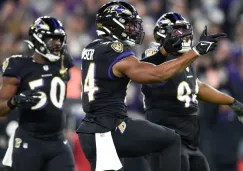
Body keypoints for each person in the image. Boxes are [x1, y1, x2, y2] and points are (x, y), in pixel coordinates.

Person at [76, 1, 225, 171]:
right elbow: (156, 75)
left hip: (93, 131)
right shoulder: (115, 49)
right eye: (129, 25)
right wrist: (196, 52)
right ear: (113, 24)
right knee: (171, 140)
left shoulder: (94, 47)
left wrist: (163, 52)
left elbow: (137, 68)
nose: (134, 29)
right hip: (109, 127)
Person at [141, 12, 243, 171]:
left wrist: (231, 102)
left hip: (189, 142)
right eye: (178, 31)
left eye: (186, 31)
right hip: (166, 142)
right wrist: (194, 53)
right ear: (164, 34)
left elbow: (196, 86)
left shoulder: (184, 59)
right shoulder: (153, 54)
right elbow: (158, 72)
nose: (185, 36)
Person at [0, 16, 75, 171]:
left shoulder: (64, 61)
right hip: (29, 141)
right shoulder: (18, 66)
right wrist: (16, 101)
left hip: (58, 141)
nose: (58, 43)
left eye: (59, 39)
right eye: (52, 39)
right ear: (38, 39)